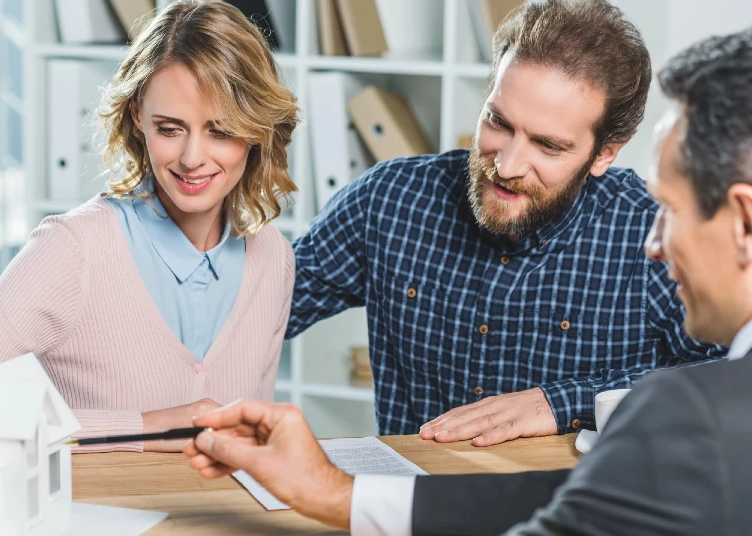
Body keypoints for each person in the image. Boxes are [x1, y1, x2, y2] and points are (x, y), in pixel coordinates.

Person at [35, 17, 752, 536]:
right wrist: (344, 494)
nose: (657, 242)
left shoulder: (694, 426)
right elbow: (588, 501)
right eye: (498, 123)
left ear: (745, 222)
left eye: (671, 207)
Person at [288, 0, 724, 446]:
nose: (508, 164)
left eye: (548, 146)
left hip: (571, 508)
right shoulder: (388, 200)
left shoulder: (654, 232)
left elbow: (740, 374)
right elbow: (257, 310)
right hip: (409, 504)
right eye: (498, 121)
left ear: (605, 153)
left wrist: (558, 403)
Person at [0, 0, 297, 451]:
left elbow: (252, 450)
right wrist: (150, 426)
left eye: (221, 130)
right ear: (137, 117)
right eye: (170, 129)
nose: (192, 158)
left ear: (257, 128)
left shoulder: (273, 258)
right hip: (90, 519)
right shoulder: (73, 250)